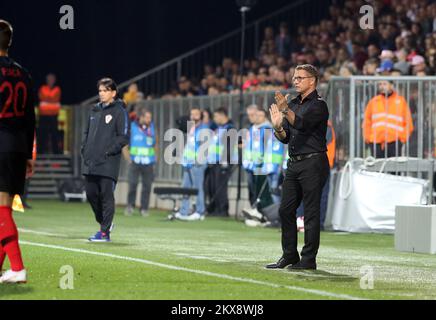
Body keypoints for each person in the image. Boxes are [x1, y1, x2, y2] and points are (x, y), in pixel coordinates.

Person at [267, 64, 330, 270]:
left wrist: (285, 110)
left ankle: (308, 259)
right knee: (285, 210)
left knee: (311, 212)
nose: (295, 81)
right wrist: (277, 128)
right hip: (294, 163)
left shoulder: (319, 105)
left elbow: (301, 124)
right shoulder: (293, 103)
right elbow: (285, 138)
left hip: (313, 162)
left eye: (300, 78)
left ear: (312, 80)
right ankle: (289, 255)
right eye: (294, 77)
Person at [0, 19, 36, 283]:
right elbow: (30, 118)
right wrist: (28, 155)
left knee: (1, 211)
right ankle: (9, 268)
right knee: (4, 210)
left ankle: (18, 267)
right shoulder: (24, 73)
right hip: (17, 146)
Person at [81, 78, 129, 242]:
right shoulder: (94, 110)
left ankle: (104, 233)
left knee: (106, 196)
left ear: (113, 93)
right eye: (100, 90)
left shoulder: (119, 111)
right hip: (91, 161)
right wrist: (84, 149)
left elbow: (123, 137)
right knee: (91, 194)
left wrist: (109, 151)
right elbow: (86, 133)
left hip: (108, 162)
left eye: (105, 90)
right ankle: (105, 223)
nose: (101, 93)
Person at [362, 80, 414, 158]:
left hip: (394, 142)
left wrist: (402, 139)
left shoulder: (401, 101)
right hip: (376, 142)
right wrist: (368, 138)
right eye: (380, 84)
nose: (382, 86)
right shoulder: (373, 101)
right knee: (376, 169)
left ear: (392, 86)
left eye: (384, 84)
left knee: (394, 169)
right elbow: (367, 121)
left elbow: (407, 122)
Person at [175, 107, 208, 221]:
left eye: (196, 114)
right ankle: (184, 211)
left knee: (197, 188)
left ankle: (200, 212)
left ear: (201, 116)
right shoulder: (191, 128)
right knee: (186, 187)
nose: (193, 116)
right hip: (188, 162)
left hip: (197, 163)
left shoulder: (204, 128)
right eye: (192, 114)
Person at [124, 107, 157, 217]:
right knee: (132, 184)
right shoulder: (132, 127)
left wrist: (155, 158)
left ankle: (144, 208)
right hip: (135, 162)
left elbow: (155, 144)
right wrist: (129, 159)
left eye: (150, 118)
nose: (149, 120)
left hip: (148, 162)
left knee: (147, 186)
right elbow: (125, 145)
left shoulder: (151, 127)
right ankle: (130, 206)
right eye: (147, 117)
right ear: (141, 117)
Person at [206, 107, 236, 217]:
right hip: (215, 162)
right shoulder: (219, 128)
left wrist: (225, 162)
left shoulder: (230, 128)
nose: (214, 119)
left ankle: (223, 210)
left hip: (223, 162)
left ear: (222, 115)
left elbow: (229, 147)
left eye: (216, 116)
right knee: (213, 186)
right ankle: (215, 209)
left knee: (221, 187)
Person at [38, 73, 62, 154]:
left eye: (52, 79)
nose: (50, 81)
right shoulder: (42, 88)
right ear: (46, 80)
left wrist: (47, 98)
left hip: (53, 115)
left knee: (54, 134)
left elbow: (55, 98)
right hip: (43, 115)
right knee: (42, 134)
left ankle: (56, 152)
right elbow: (42, 97)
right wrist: (50, 98)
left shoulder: (57, 89)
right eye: (49, 79)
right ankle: (40, 151)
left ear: (54, 80)